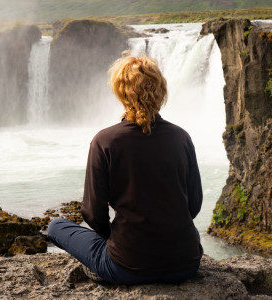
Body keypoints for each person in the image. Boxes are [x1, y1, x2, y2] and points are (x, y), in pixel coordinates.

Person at [47, 53, 203, 285]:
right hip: (186, 263)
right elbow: (194, 204)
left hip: (128, 268)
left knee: (56, 226)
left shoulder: (105, 141)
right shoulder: (181, 137)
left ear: (121, 92)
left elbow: (92, 213)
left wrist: (118, 239)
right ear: (160, 91)